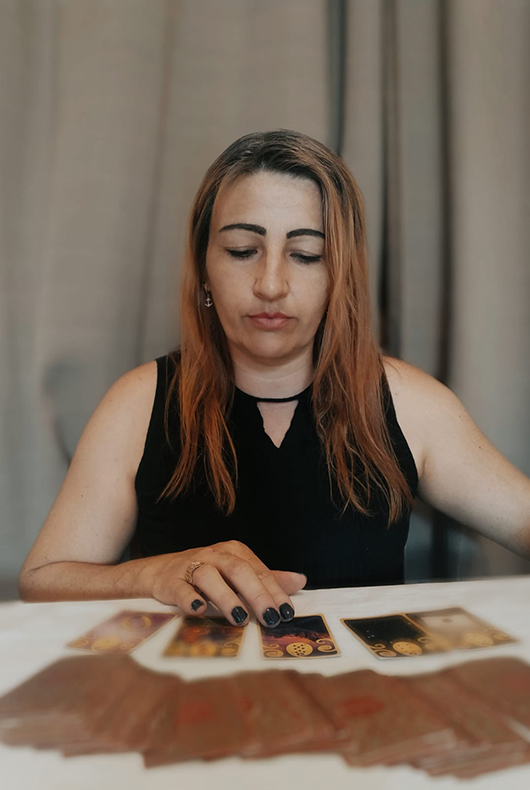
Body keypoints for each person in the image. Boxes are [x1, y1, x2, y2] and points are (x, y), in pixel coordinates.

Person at [18, 130, 530, 630]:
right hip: (185, 685)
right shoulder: (138, 403)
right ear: (203, 267)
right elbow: (42, 580)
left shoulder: (409, 403)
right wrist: (153, 574)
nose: (270, 284)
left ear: (340, 274)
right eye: (243, 250)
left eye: (306, 255)